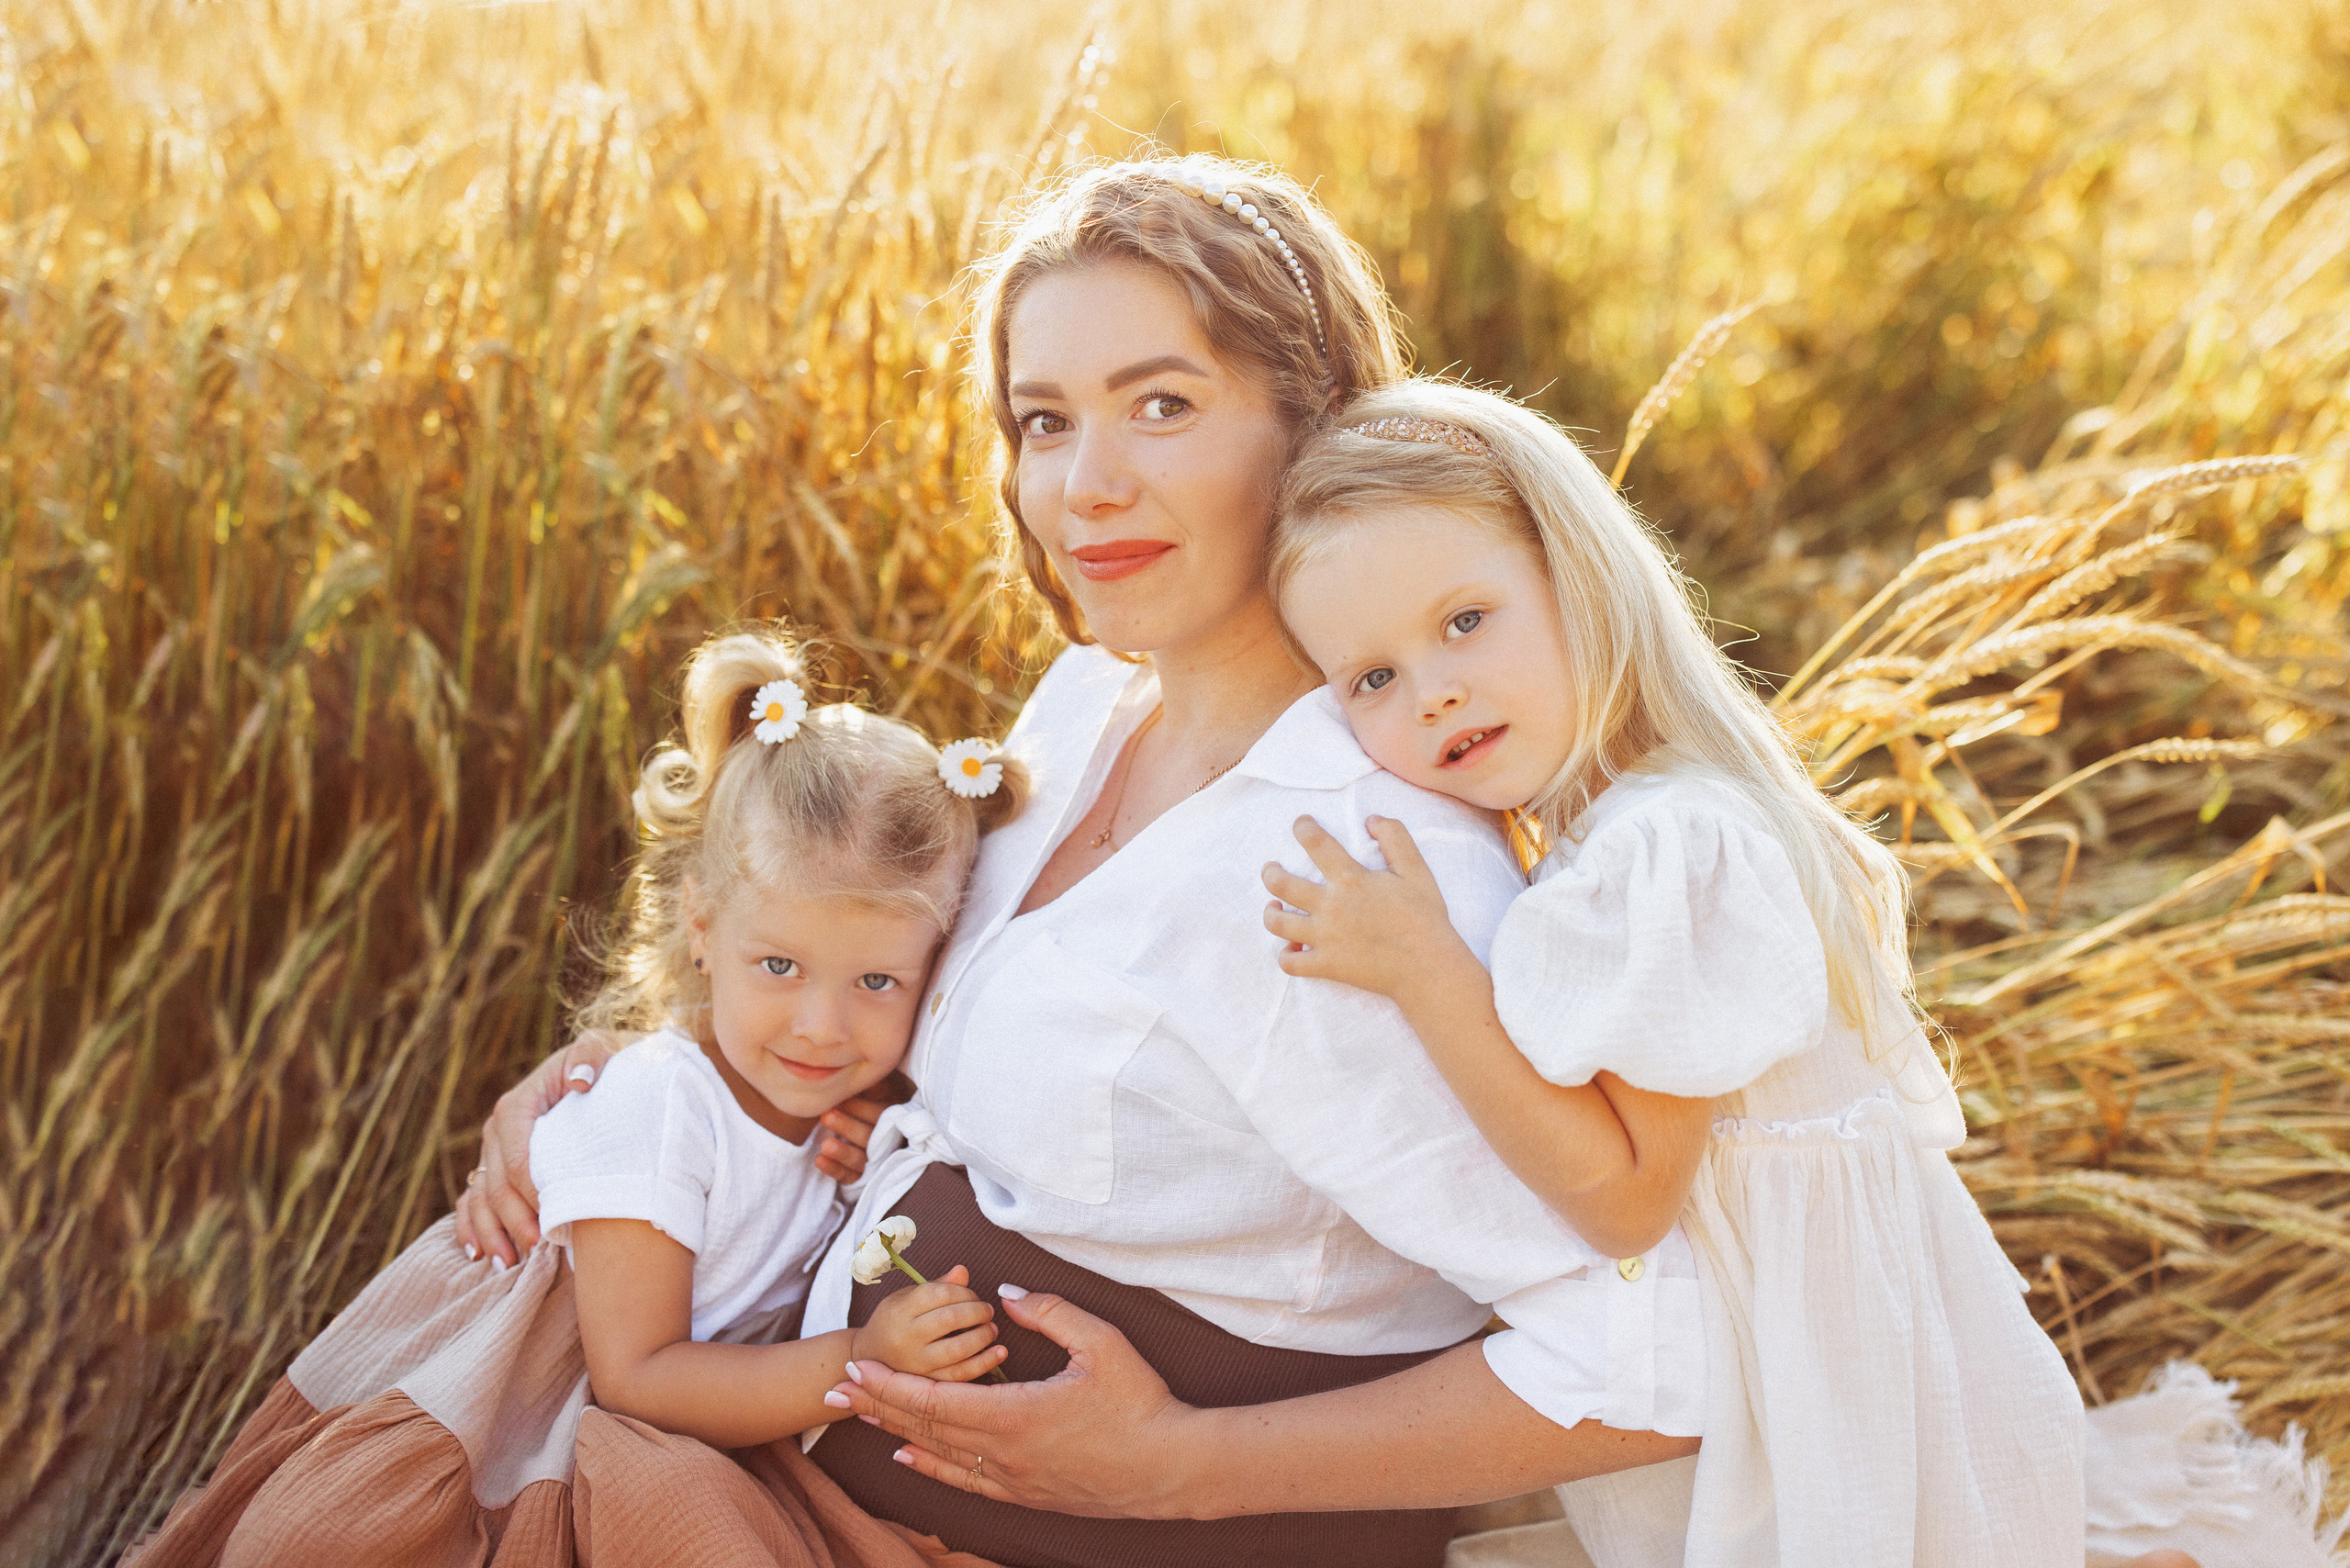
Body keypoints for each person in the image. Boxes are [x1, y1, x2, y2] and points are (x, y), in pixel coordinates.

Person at [456, 156, 1705, 1568]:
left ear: (1311, 425)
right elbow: (878, 977)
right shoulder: (1085, 709)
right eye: (1043, 421)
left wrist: (1187, 1469)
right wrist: (621, 1091)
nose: (1087, 485)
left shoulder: (1353, 870)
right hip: (791, 1446)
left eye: (1161, 406)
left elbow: (1657, 1359)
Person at [1256, 378, 2093, 1568]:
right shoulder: (1630, 829)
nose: (1432, 688)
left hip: (1802, 1396)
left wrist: (1423, 969)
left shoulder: (1665, 848)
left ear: (1577, 579)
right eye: (1370, 679)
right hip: (1816, 1349)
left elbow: (1629, 1197)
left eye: (1463, 620)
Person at [131, 626, 1029, 1568]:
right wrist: (864, 1357)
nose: (820, 1025)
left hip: (653, 1411)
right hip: (512, 1415)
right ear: (701, 926)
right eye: (779, 965)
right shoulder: (660, 1106)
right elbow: (637, 1375)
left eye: (876, 983)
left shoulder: (838, 1121)